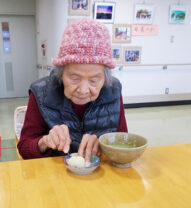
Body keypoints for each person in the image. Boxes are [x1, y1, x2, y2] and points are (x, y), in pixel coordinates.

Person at [18, 19, 128, 161]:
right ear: (61, 73)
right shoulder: (41, 93)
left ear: (105, 78)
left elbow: (123, 141)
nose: (83, 90)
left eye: (94, 81)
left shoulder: (113, 90)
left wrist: (105, 144)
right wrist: (45, 141)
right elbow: (24, 149)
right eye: (74, 78)